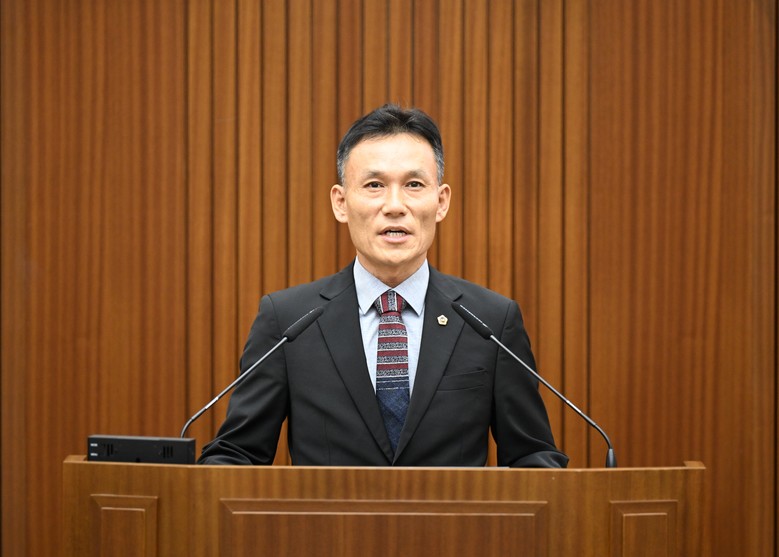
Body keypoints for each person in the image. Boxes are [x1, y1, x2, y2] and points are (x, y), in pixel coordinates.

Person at [198, 104, 568, 467]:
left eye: (413, 185)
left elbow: (533, 457)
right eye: (374, 185)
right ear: (341, 203)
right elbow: (236, 454)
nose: (394, 206)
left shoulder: (490, 321)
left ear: (441, 202)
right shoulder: (289, 321)